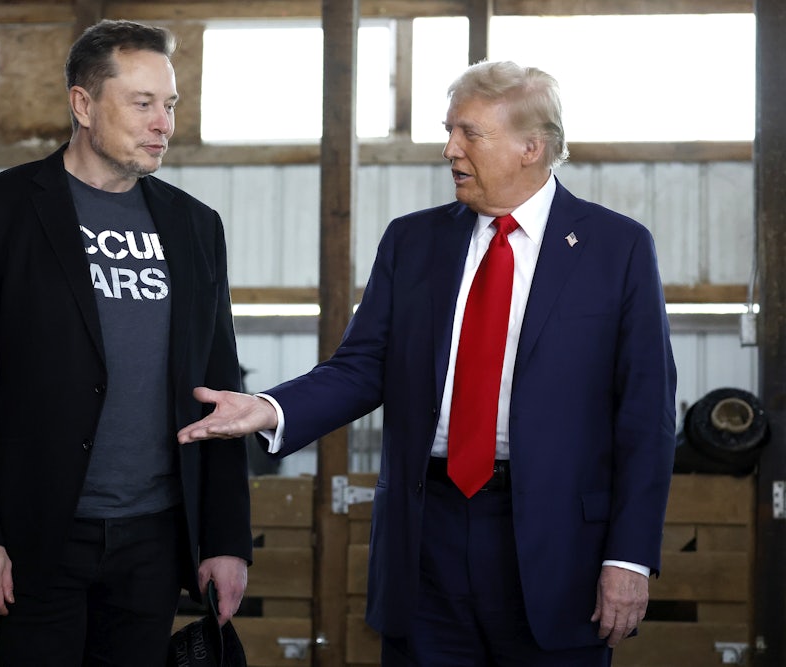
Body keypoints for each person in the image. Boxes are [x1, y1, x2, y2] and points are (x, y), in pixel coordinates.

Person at [178, 60, 676, 666]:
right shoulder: (412, 241)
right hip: (425, 539)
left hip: (557, 548)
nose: (449, 149)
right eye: (449, 131)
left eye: (470, 133)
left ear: (531, 147)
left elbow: (645, 417)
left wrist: (627, 558)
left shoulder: (616, 248)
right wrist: (269, 408)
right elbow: (362, 366)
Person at [0, 19, 252, 666]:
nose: (163, 122)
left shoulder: (194, 225)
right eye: (142, 103)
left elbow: (221, 386)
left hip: (156, 540)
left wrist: (226, 538)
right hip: (35, 537)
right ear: (82, 103)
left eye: (170, 105)